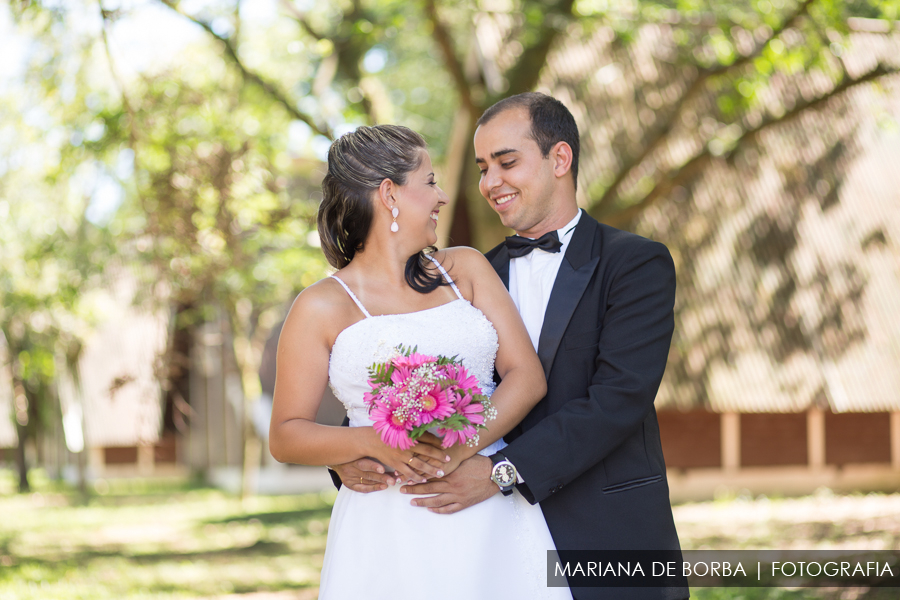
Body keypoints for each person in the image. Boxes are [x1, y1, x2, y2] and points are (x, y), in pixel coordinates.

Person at [330, 94, 689, 600]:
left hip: (604, 531)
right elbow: (400, 372)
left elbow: (619, 399)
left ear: (559, 159)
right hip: (480, 542)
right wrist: (351, 455)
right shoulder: (460, 277)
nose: (489, 183)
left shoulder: (634, 263)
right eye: (482, 168)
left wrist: (503, 473)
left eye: (506, 162)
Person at [268, 124, 573, 600]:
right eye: (429, 182)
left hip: (483, 503)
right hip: (385, 525)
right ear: (389, 193)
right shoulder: (319, 306)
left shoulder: (466, 270)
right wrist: (371, 443)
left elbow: (527, 378)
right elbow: (286, 434)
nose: (442, 196)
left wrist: (459, 449)